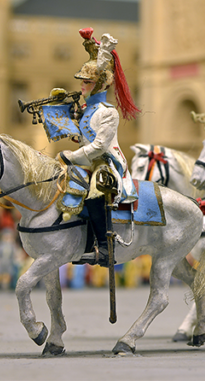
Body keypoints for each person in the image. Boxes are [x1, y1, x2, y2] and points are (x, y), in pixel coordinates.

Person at [56, 28, 140, 267]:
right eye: (82, 81)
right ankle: (80, 241)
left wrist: (72, 156)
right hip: (84, 160)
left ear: (99, 85)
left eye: (87, 82)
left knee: (96, 188)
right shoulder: (84, 111)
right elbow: (83, 137)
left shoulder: (108, 113)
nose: (82, 85)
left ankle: (104, 247)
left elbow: (99, 145)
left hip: (106, 161)